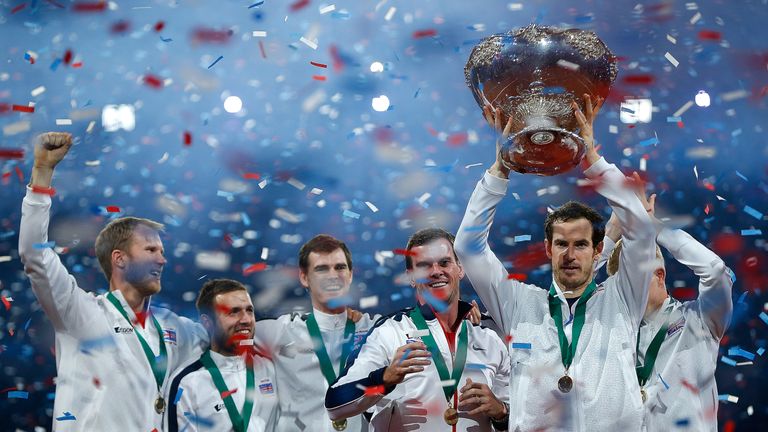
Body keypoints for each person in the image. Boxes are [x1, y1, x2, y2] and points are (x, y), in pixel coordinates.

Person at [453, 96, 659, 431]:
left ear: (598, 250)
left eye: (580, 244)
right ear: (548, 249)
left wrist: (593, 159)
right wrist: (500, 169)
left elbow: (641, 231)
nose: (570, 253)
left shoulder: (622, 299)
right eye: (561, 244)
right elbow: (467, 246)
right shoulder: (519, 303)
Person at [18, 132, 208, 431]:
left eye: (162, 251)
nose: (162, 260)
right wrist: (42, 174)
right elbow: (34, 256)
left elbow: (239, 338)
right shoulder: (80, 313)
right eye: (150, 250)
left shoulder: (177, 329)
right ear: (119, 259)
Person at [325, 228, 511, 431]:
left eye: (444, 262)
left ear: (460, 268)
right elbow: (335, 404)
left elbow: (523, 418)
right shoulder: (389, 332)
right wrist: (384, 378)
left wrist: (501, 413)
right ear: (411, 277)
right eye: (424, 266)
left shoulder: (490, 340)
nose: (435, 271)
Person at [598, 185, 734, 431]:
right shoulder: (610, 333)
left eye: (637, 279)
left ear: (659, 276)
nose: (631, 289)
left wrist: (652, 226)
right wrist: (610, 235)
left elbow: (714, 269)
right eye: (623, 283)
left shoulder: (699, 319)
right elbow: (572, 292)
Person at [251, 234, 381, 432]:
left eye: (340, 267)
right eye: (321, 269)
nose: (332, 275)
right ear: (304, 278)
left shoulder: (376, 330)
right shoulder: (278, 332)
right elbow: (214, 336)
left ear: (350, 274)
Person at [168, 279, 279, 432]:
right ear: (208, 323)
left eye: (249, 310)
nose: (246, 320)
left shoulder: (267, 368)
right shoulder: (188, 382)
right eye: (233, 312)